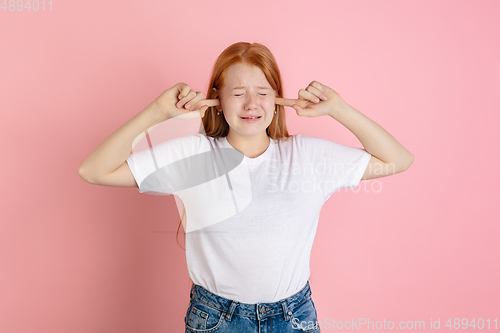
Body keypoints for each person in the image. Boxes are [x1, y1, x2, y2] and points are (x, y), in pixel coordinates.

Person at [78, 42, 414, 333]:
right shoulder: (192, 155)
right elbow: (94, 170)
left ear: (278, 99)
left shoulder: (308, 156)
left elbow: (397, 159)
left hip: (293, 317)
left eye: (263, 93)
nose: (252, 104)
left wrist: (338, 108)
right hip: (215, 318)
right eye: (238, 94)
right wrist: (157, 112)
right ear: (217, 101)